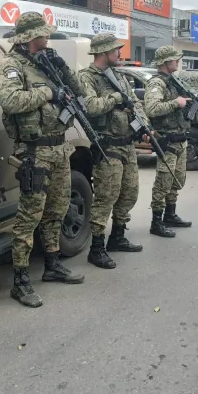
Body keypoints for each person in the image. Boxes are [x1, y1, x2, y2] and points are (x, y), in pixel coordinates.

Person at [0, 12, 86, 309]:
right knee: (29, 217)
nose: (48, 38)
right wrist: (48, 91)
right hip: (35, 151)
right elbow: (12, 102)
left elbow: (79, 92)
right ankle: (20, 280)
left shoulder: (47, 63)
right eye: (44, 34)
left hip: (60, 147)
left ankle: (53, 264)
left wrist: (62, 70)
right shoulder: (10, 66)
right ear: (30, 37)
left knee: (57, 209)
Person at [79, 33, 145, 269]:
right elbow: (91, 106)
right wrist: (116, 97)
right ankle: (97, 248)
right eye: (116, 49)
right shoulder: (87, 77)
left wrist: (144, 125)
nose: (120, 53)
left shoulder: (119, 75)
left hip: (127, 145)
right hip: (107, 147)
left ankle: (118, 236)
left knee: (130, 192)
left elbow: (135, 104)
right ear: (104, 52)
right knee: (106, 196)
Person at [145, 46, 198, 236]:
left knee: (177, 180)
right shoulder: (157, 83)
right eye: (174, 59)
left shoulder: (173, 81)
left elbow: (186, 110)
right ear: (164, 62)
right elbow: (152, 108)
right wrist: (175, 103)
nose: (177, 62)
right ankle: (156, 222)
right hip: (167, 140)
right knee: (163, 182)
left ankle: (170, 215)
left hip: (181, 139)